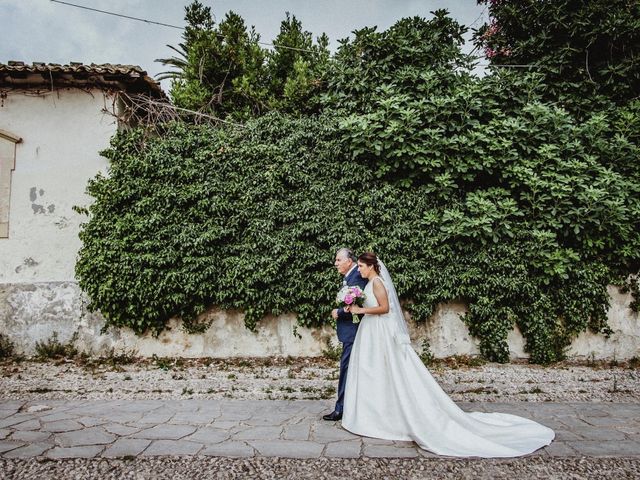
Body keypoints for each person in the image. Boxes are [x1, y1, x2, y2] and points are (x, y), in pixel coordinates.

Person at [341, 252, 555, 458]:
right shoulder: (370, 283)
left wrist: (361, 311)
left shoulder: (377, 282)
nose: (358, 269)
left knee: (386, 370)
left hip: (379, 332)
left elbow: (385, 308)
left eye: (361, 265)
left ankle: (388, 415)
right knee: (375, 372)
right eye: (358, 266)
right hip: (371, 332)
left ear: (371, 266)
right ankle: (376, 413)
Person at [322, 248, 368, 421]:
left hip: (352, 331)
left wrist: (339, 311)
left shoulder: (356, 275)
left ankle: (341, 408)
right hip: (351, 330)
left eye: (338, 260)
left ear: (349, 261)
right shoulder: (351, 276)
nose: (336, 263)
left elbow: (359, 303)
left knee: (346, 368)